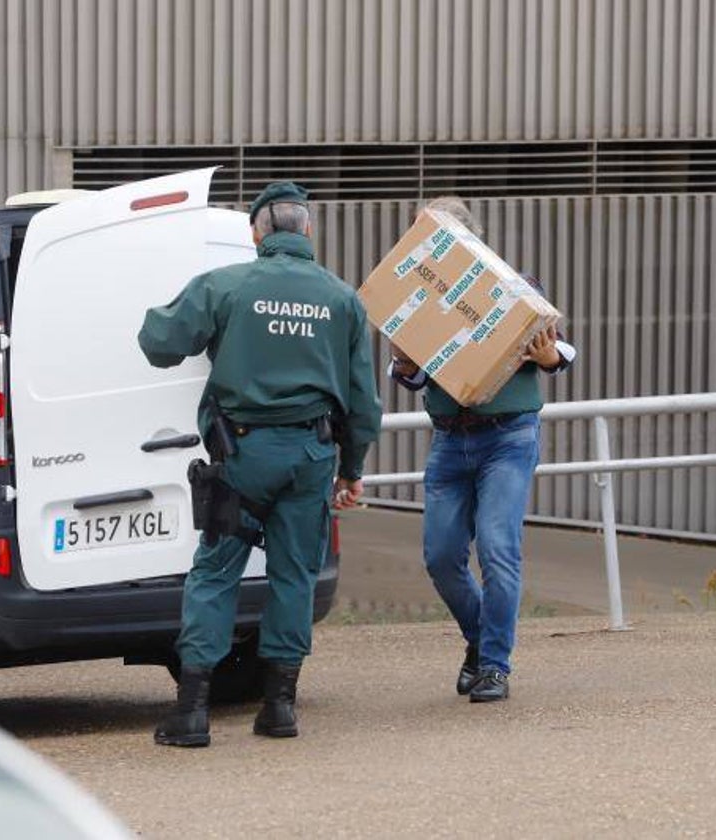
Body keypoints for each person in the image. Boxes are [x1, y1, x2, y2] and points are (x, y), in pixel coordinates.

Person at [138, 181, 382, 747]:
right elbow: (363, 400)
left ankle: (193, 712)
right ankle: (280, 708)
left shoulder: (225, 285)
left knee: (217, 572)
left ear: (256, 233)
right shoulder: (342, 299)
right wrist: (352, 467)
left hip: (243, 454)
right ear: (308, 230)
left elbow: (158, 341)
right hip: (311, 456)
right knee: (294, 574)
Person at [390, 196, 576, 704]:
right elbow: (416, 371)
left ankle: (494, 664)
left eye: (425, 235)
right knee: (441, 555)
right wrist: (404, 365)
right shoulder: (421, 296)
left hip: (507, 438)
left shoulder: (516, 287)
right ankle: (480, 640)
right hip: (451, 438)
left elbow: (557, 347)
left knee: (498, 549)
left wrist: (550, 355)